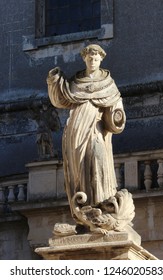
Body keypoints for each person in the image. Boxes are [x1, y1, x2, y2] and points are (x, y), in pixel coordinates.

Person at [47, 44, 126, 218]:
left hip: (96, 130)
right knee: (79, 168)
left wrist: (117, 115)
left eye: (96, 59)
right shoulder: (75, 83)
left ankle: (101, 202)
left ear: (101, 60)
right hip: (76, 131)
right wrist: (54, 82)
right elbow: (61, 100)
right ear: (84, 59)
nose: (92, 61)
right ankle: (85, 205)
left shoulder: (107, 84)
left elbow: (115, 106)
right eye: (89, 59)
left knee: (98, 159)